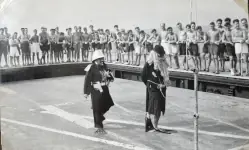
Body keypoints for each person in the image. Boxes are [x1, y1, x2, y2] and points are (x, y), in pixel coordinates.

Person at [141, 45, 171, 133]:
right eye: (159, 55)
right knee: (154, 106)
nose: (161, 57)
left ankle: (155, 125)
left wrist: (165, 83)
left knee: (160, 106)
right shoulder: (149, 64)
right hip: (153, 88)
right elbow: (143, 76)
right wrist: (151, 85)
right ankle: (150, 124)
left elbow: (165, 76)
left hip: (162, 88)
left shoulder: (163, 63)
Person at [83, 50, 114, 134]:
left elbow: (110, 76)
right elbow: (87, 80)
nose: (102, 60)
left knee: (108, 103)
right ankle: (99, 126)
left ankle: (100, 116)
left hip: (104, 87)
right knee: (97, 107)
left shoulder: (104, 66)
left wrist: (110, 76)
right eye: (100, 59)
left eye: (102, 58)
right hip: (96, 87)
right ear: (96, 59)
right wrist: (86, 92)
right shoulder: (91, 67)